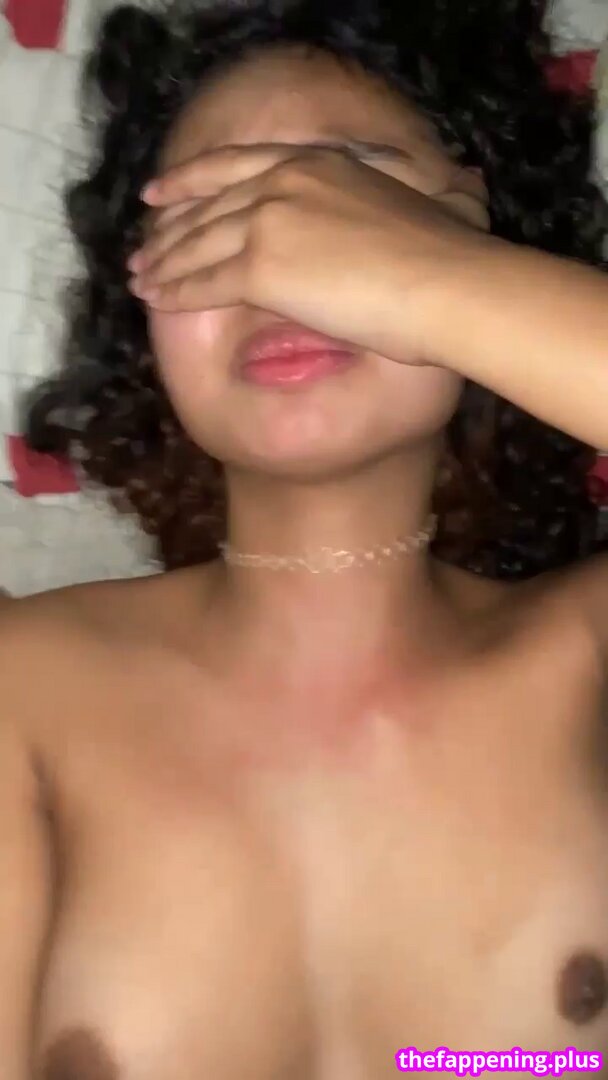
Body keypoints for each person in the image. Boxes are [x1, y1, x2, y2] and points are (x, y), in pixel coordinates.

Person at [2, 0, 608, 1076]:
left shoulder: (587, 660)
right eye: (209, 218)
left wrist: (440, 275)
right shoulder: (22, 685)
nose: (279, 262)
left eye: (351, 197)